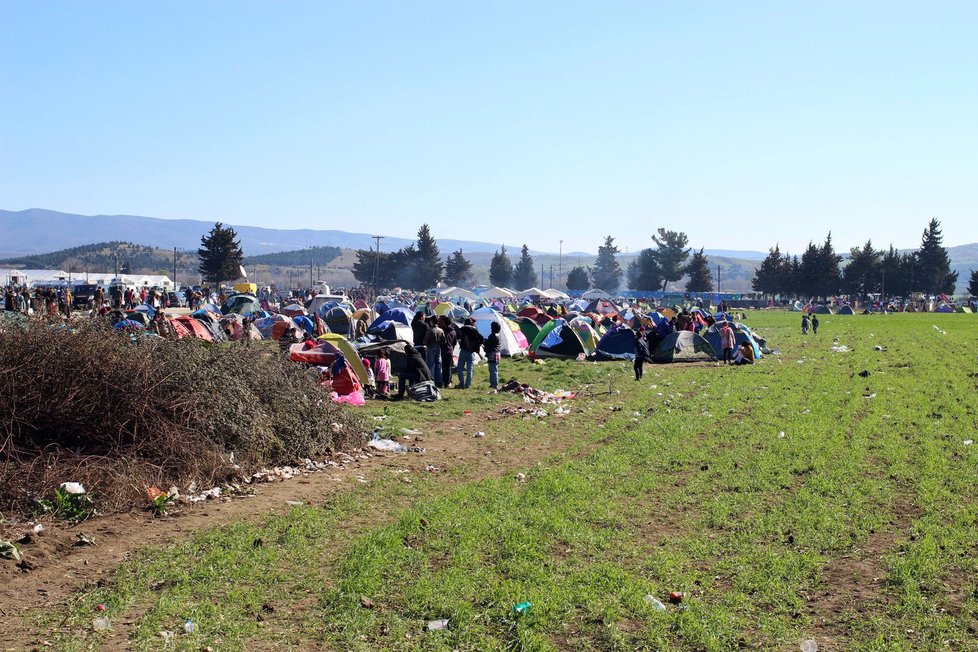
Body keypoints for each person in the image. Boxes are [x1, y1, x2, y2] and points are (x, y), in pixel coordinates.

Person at [456, 318, 483, 389]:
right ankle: (468, 384)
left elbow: (457, 337)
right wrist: (477, 345)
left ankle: (461, 383)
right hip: (471, 352)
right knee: (470, 369)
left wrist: (460, 342)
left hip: (464, 350)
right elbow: (481, 339)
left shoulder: (462, 329)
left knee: (460, 368)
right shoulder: (475, 330)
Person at [425, 316, 445, 387]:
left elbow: (425, 341)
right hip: (438, 347)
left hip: (431, 347)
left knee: (430, 364)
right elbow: (444, 341)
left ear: (432, 322)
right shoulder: (441, 330)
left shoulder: (430, 330)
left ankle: (432, 380)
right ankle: (439, 381)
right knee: (438, 364)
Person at [438, 316, 456, 388]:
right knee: (448, 366)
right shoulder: (453, 331)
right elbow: (454, 342)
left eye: (440, 320)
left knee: (443, 366)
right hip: (450, 350)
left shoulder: (442, 331)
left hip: (443, 349)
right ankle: (448, 381)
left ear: (444, 322)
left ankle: (446, 382)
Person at [483, 322, 502, 390]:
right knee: (494, 369)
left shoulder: (492, 335)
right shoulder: (498, 335)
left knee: (493, 370)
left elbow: (488, 344)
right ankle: (493, 383)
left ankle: (494, 384)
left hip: (492, 353)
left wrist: (484, 341)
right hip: (497, 353)